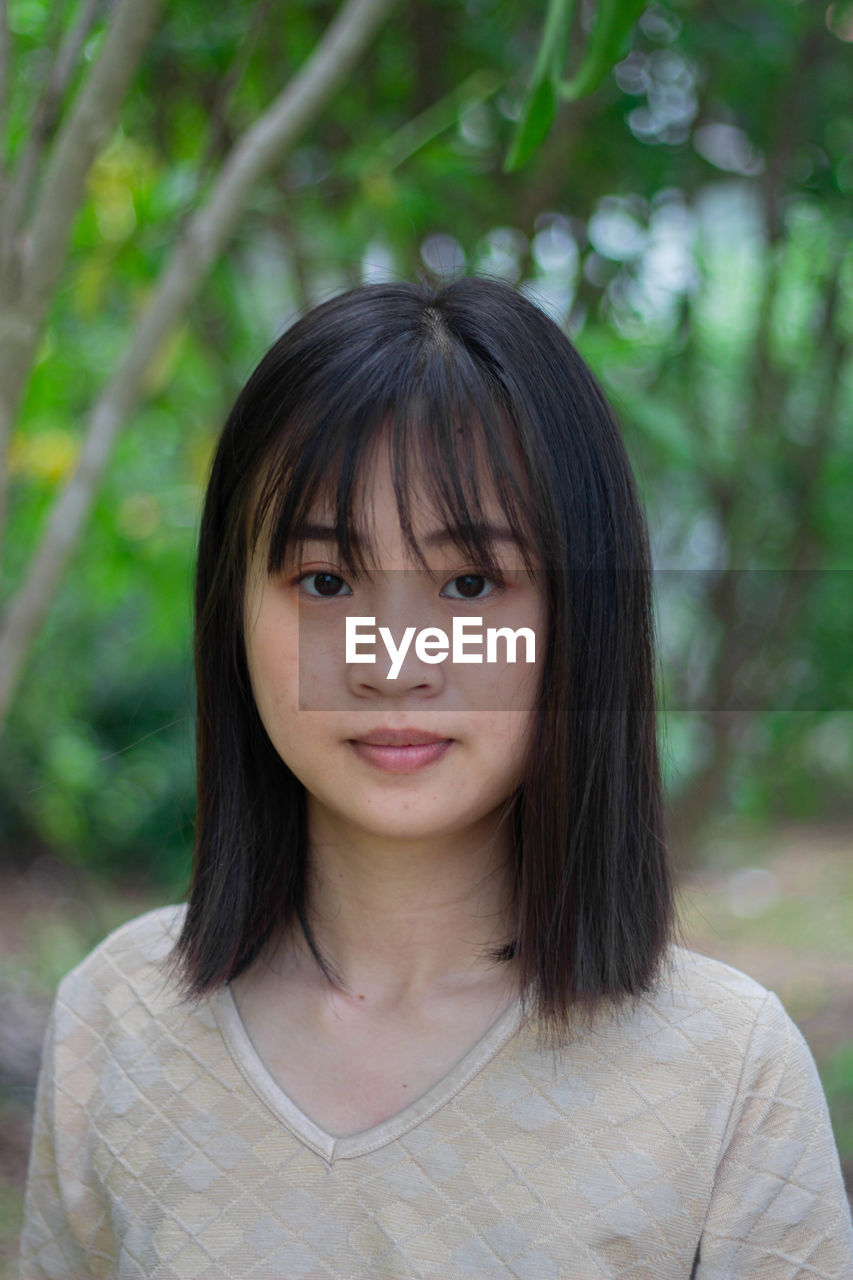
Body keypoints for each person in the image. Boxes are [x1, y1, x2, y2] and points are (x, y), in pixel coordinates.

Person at [18, 278, 853, 1279]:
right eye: (325, 582)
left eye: (469, 584)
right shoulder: (115, 1026)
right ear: (231, 615)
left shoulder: (725, 1074)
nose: (394, 660)